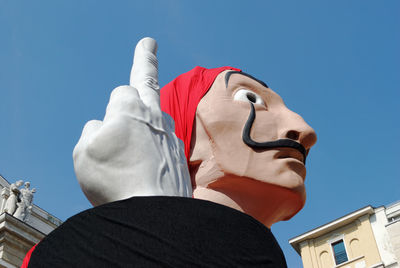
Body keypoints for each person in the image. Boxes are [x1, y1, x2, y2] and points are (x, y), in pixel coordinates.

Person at [22, 38, 316, 267]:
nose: (304, 130)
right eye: (250, 98)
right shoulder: (62, 254)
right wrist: (152, 223)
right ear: (180, 142)